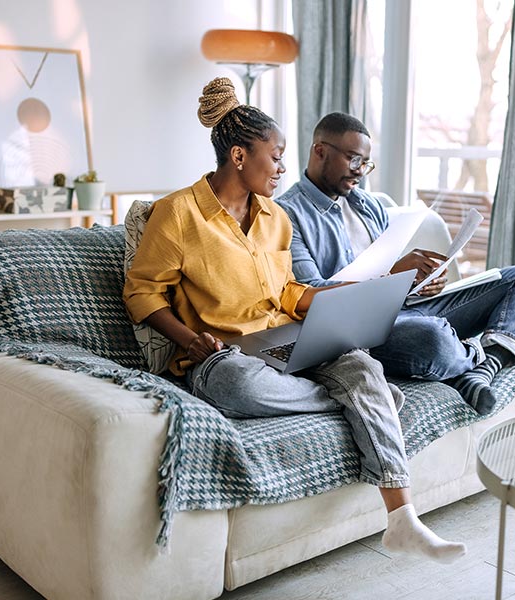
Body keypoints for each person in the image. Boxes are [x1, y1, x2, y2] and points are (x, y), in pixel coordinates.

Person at [123, 78, 466, 563]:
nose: (284, 167)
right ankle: (362, 403)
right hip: (223, 355)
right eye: (277, 155)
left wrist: (334, 302)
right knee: (239, 387)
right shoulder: (178, 213)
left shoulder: (274, 218)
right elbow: (142, 292)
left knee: (362, 365)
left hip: (288, 336)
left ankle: (402, 518)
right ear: (239, 157)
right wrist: (189, 339)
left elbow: (285, 291)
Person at [276, 112, 515, 416]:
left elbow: (393, 276)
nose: (360, 172)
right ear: (320, 150)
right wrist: (391, 276)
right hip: (358, 331)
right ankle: (499, 350)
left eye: (366, 163)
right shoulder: (286, 215)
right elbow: (309, 294)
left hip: (406, 309)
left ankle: (481, 367)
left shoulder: (369, 205)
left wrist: (418, 282)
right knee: (433, 339)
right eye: (353, 160)